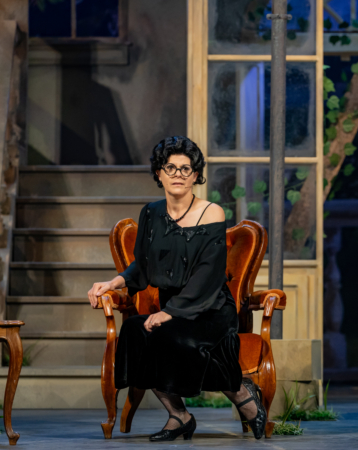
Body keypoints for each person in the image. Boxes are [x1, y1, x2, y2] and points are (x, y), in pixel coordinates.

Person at [87, 136, 267, 441]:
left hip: (211, 307)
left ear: (196, 175)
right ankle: (179, 415)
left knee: (167, 334)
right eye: (170, 168)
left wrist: (170, 312)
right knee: (134, 331)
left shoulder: (212, 212)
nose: (178, 174)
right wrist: (113, 282)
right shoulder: (150, 213)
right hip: (173, 309)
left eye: (186, 169)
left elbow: (208, 274)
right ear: (159, 173)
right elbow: (142, 265)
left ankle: (240, 392)